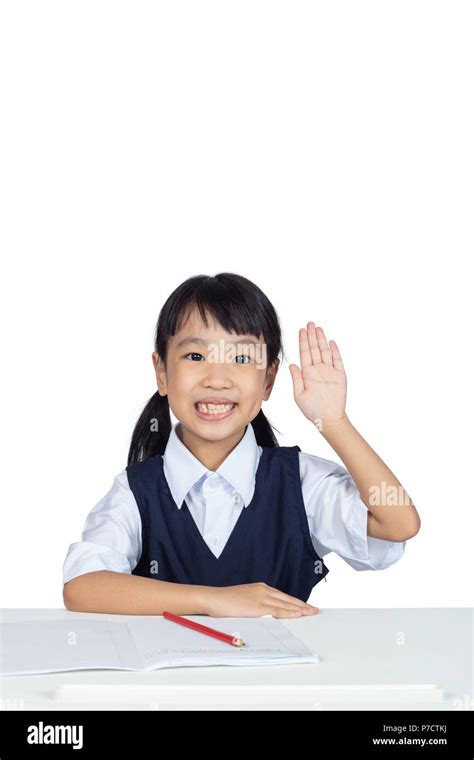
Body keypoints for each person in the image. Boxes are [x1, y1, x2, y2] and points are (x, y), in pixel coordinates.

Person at [63, 272, 420, 618]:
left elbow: (398, 522)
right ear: (161, 372)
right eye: (196, 356)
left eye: (242, 358)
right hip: (166, 680)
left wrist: (333, 421)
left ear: (269, 379)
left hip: (285, 677)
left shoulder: (300, 482)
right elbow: (82, 586)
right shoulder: (136, 490)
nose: (217, 379)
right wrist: (215, 601)